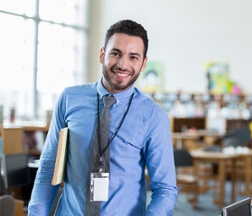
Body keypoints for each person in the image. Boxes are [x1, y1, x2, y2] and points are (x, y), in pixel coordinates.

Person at [28, 19, 178, 215]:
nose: (123, 64)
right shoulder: (69, 99)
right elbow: (49, 167)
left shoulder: (153, 117)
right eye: (116, 54)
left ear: (143, 64)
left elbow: (165, 190)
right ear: (102, 54)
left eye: (133, 57)